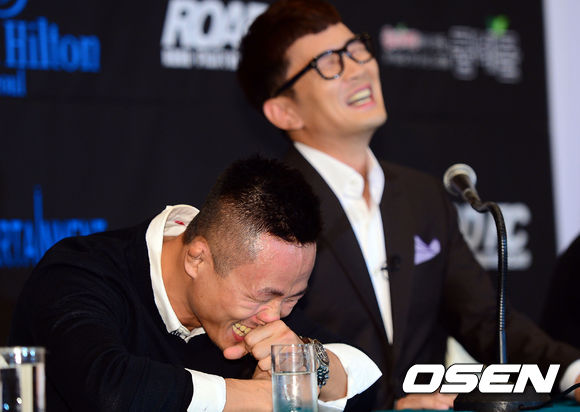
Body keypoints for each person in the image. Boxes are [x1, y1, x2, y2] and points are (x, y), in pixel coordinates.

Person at [237, 0, 580, 409]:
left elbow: (485, 320)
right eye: (329, 63)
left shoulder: (424, 195)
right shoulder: (262, 208)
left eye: (356, 49)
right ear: (284, 110)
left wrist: (573, 372)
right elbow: (264, 353)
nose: (359, 68)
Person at [8, 157, 381, 411]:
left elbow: (367, 386)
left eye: (293, 298)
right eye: (263, 297)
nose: (274, 317)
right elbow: (109, 388)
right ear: (197, 259)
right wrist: (263, 398)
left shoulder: (266, 300)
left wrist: (308, 364)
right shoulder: (77, 272)